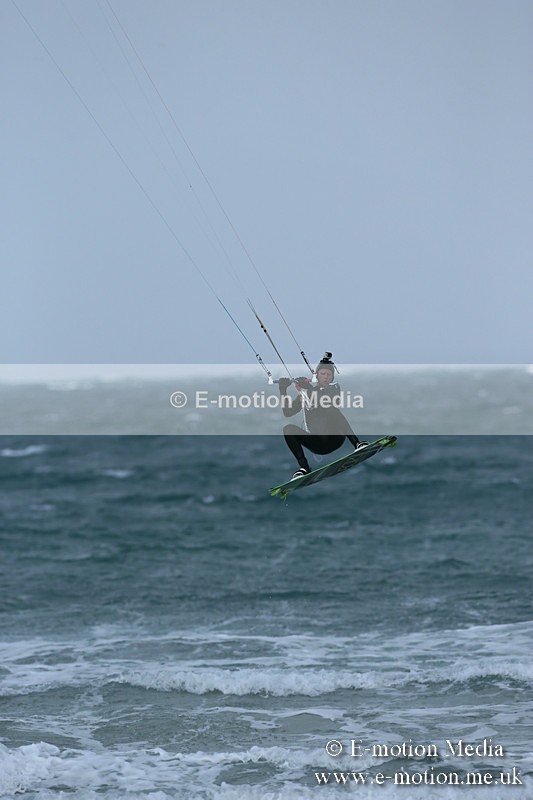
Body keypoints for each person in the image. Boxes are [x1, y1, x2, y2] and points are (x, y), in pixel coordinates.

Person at [278, 353, 368, 480]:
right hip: (318, 444)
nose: (325, 377)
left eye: (328, 375)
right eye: (322, 374)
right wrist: (282, 390)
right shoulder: (305, 395)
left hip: (334, 437)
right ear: (316, 376)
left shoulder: (333, 388)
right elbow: (287, 412)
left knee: (330, 408)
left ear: (332, 377)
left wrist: (309, 387)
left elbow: (327, 401)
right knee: (288, 429)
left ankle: (357, 444)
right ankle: (304, 468)